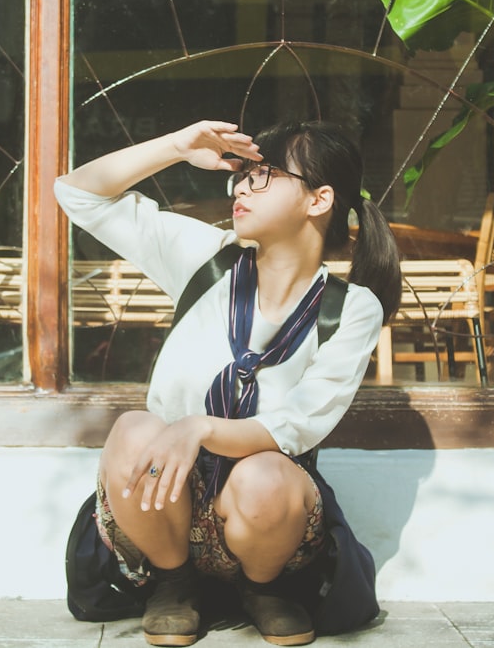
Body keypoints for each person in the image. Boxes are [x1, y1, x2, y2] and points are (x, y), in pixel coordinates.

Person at [55, 120, 401, 647]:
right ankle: (174, 585)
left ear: (319, 199)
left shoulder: (351, 308)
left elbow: (295, 424)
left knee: (266, 474)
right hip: (166, 502)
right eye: (241, 176)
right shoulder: (206, 259)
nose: (241, 187)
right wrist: (175, 147)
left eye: (263, 176)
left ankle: (263, 589)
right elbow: (77, 193)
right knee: (133, 431)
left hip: (264, 511)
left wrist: (200, 427)